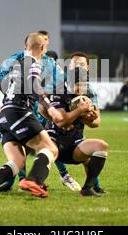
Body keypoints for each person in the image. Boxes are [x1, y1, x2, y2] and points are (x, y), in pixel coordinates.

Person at [0, 32, 77, 199]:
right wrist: (50, 107)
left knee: (17, 161)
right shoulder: (33, 61)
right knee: (50, 148)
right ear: (42, 47)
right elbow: (34, 83)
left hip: (4, 116)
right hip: (19, 110)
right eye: (45, 47)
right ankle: (32, 180)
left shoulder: (18, 62)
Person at [41, 67, 108, 196]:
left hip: (75, 145)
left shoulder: (86, 97)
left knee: (101, 146)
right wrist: (79, 110)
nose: (81, 88)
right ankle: (37, 183)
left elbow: (95, 124)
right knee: (47, 152)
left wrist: (89, 118)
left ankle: (87, 188)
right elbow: (61, 122)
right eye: (78, 84)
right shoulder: (58, 93)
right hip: (55, 141)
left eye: (84, 85)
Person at [68, 52, 106, 194]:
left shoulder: (89, 91)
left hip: (74, 135)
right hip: (52, 131)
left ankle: (92, 187)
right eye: (75, 63)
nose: (78, 66)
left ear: (88, 68)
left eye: (82, 64)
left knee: (89, 157)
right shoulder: (58, 85)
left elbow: (96, 122)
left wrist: (90, 117)